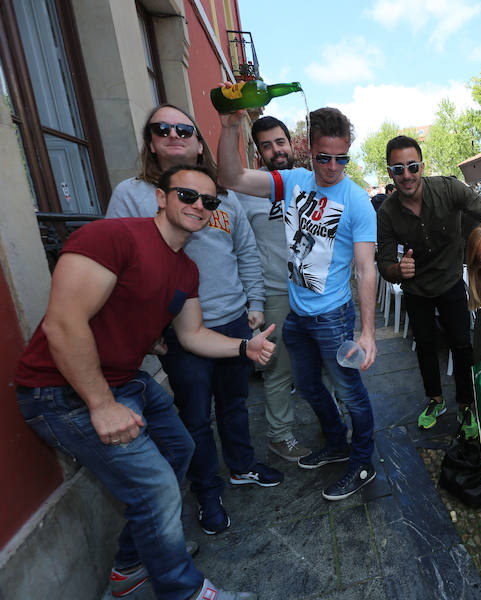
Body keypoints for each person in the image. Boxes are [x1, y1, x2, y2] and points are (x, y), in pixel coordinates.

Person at [16, 165, 268, 600]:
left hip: (125, 381)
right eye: (187, 195)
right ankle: (183, 591)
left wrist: (244, 349)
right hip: (62, 392)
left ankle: (134, 564)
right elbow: (63, 324)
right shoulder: (112, 238)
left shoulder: (186, 269)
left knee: (180, 450)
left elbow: (191, 336)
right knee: (154, 487)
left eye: (209, 202)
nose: (199, 206)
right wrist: (100, 404)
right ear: (161, 197)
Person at [105, 104, 282, 534]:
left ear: (199, 142)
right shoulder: (131, 194)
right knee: (196, 416)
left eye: (185, 129)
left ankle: (241, 466)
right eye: (162, 129)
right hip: (179, 331)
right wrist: (144, 330)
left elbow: (245, 252)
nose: (174, 135)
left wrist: (254, 304)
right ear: (150, 141)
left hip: (234, 319)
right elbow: (119, 270)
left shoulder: (224, 194)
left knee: (237, 404)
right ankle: (207, 491)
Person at [218, 105, 379, 501]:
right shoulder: (292, 182)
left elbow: (366, 269)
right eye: (324, 157)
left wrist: (369, 333)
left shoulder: (356, 200)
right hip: (297, 315)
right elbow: (231, 177)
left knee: (350, 391)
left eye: (342, 158)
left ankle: (362, 462)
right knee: (306, 385)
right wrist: (229, 126)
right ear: (311, 152)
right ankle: (337, 443)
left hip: (332, 317)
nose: (332, 167)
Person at [375, 135, 481, 436]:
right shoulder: (387, 212)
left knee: (461, 346)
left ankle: (466, 405)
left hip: (451, 282)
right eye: (398, 169)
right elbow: (384, 261)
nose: (406, 175)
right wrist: (397, 270)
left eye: (412, 166)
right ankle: (435, 400)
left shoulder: (447, 189)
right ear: (390, 172)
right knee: (425, 347)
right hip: (416, 290)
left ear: (422, 166)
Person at [233, 115, 309, 462]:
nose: (275, 150)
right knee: (278, 369)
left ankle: (340, 425)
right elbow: (243, 250)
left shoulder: (309, 182)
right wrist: (254, 300)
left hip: (314, 290)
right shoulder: (247, 191)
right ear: (258, 151)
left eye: (280, 141)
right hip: (275, 292)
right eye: (266, 145)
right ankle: (280, 435)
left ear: (291, 143)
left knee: (331, 363)